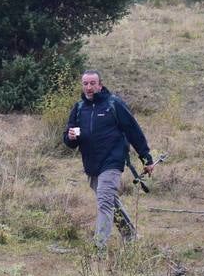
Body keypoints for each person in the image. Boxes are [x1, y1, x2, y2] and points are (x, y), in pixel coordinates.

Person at [63, 70, 155, 246]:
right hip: (91, 164)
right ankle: (130, 236)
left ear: (100, 85)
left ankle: (99, 247)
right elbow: (69, 140)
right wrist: (70, 137)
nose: (89, 87)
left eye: (92, 83)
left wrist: (146, 158)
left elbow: (133, 130)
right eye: (85, 84)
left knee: (104, 201)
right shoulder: (79, 108)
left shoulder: (113, 104)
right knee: (110, 201)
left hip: (112, 161)